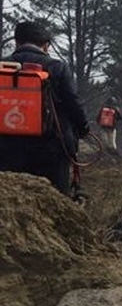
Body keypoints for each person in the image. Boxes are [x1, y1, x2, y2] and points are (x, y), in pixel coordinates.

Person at [0, 21, 90, 195]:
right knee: (55, 201)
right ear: (46, 45)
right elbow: (73, 103)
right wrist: (83, 128)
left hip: (6, 148)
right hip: (51, 147)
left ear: (17, 42)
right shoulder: (57, 67)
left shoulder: (3, 67)